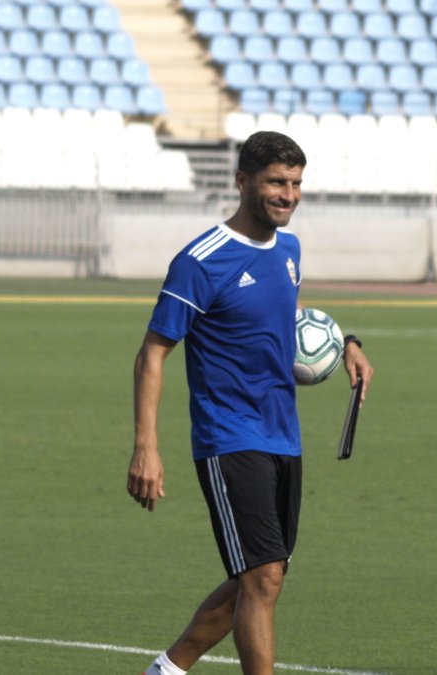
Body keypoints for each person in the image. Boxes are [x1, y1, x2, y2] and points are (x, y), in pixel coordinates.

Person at [126, 131, 374, 675]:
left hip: (282, 432)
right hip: (228, 435)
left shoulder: (289, 249)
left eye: (296, 184)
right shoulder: (200, 260)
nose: (288, 194)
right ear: (242, 182)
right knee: (262, 577)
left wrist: (346, 343)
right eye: (276, 182)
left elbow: (284, 307)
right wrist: (147, 447)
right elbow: (152, 354)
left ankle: (167, 670)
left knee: (261, 576)